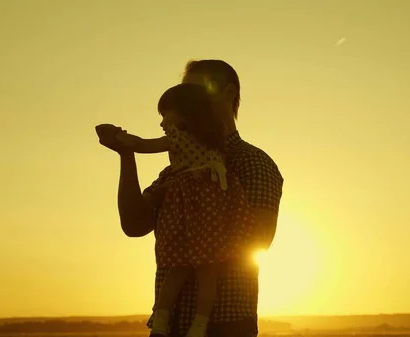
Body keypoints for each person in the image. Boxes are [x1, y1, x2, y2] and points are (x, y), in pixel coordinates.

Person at [97, 60, 283, 337]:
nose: (185, 101)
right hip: (170, 325)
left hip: (227, 322)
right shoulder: (175, 171)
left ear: (229, 94)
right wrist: (127, 155)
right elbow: (134, 225)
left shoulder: (253, 163)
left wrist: (200, 224)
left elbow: (258, 240)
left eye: (196, 92)